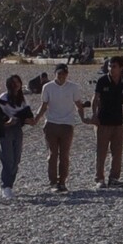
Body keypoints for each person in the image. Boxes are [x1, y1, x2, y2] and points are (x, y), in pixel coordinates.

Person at [37, 62, 79, 192]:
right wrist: (36, 119)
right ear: (55, 74)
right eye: (59, 73)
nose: (62, 76)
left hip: (67, 124)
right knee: (53, 154)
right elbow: (44, 105)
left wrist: (84, 118)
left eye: (64, 73)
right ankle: (53, 182)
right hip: (51, 124)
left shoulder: (73, 87)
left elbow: (78, 103)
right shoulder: (48, 87)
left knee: (64, 155)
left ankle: (62, 182)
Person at [90, 58, 123, 188]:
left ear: (121, 68)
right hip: (103, 121)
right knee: (101, 151)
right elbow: (95, 99)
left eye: (114, 66)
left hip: (118, 121)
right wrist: (94, 115)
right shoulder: (102, 81)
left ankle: (114, 178)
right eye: (109, 66)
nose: (111, 69)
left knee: (117, 152)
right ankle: (99, 179)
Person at [0, 75, 32, 193]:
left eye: (18, 82)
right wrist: (7, 122)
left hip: (18, 129)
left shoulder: (22, 98)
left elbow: (27, 113)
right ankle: (5, 186)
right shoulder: (3, 97)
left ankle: (10, 185)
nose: (16, 85)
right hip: (6, 130)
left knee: (16, 159)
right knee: (8, 158)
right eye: (13, 83)